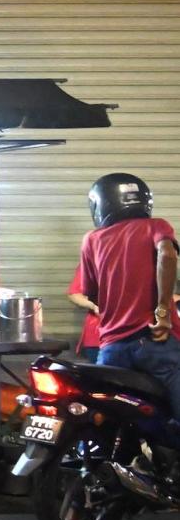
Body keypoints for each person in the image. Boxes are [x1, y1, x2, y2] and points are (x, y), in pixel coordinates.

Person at [80, 173, 180, 439]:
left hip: (111, 348)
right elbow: (167, 253)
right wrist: (162, 312)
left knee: (108, 417)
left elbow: (93, 295)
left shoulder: (92, 239)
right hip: (154, 342)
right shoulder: (155, 226)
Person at [67, 259, 101, 363]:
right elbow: (74, 293)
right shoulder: (93, 260)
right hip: (99, 337)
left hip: (140, 336)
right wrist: (93, 306)